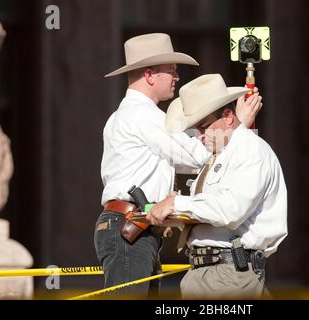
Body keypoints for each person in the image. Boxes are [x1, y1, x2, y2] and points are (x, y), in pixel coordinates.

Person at [94, 34, 261, 298]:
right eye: (171, 71)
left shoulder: (126, 115)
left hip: (133, 226)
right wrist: (234, 126)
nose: (177, 77)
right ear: (150, 75)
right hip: (131, 228)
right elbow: (196, 156)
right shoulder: (143, 115)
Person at [146, 74, 288, 299]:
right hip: (213, 274)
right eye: (195, 130)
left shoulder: (249, 149)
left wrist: (177, 203)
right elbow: (213, 214)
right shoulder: (220, 155)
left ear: (228, 116)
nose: (199, 136)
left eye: (203, 127)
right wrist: (175, 212)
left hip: (227, 274)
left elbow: (230, 209)